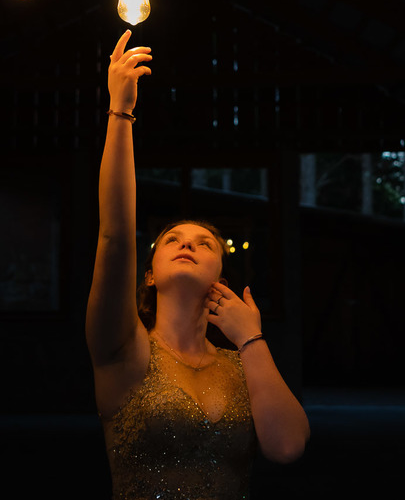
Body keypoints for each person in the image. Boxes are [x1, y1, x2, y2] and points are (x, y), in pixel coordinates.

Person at [86, 29, 310, 500]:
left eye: (204, 243)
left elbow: (287, 446)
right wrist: (121, 112)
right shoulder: (125, 353)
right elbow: (114, 237)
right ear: (149, 273)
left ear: (219, 279)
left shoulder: (239, 366)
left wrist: (251, 338)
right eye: (172, 240)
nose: (187, 244)